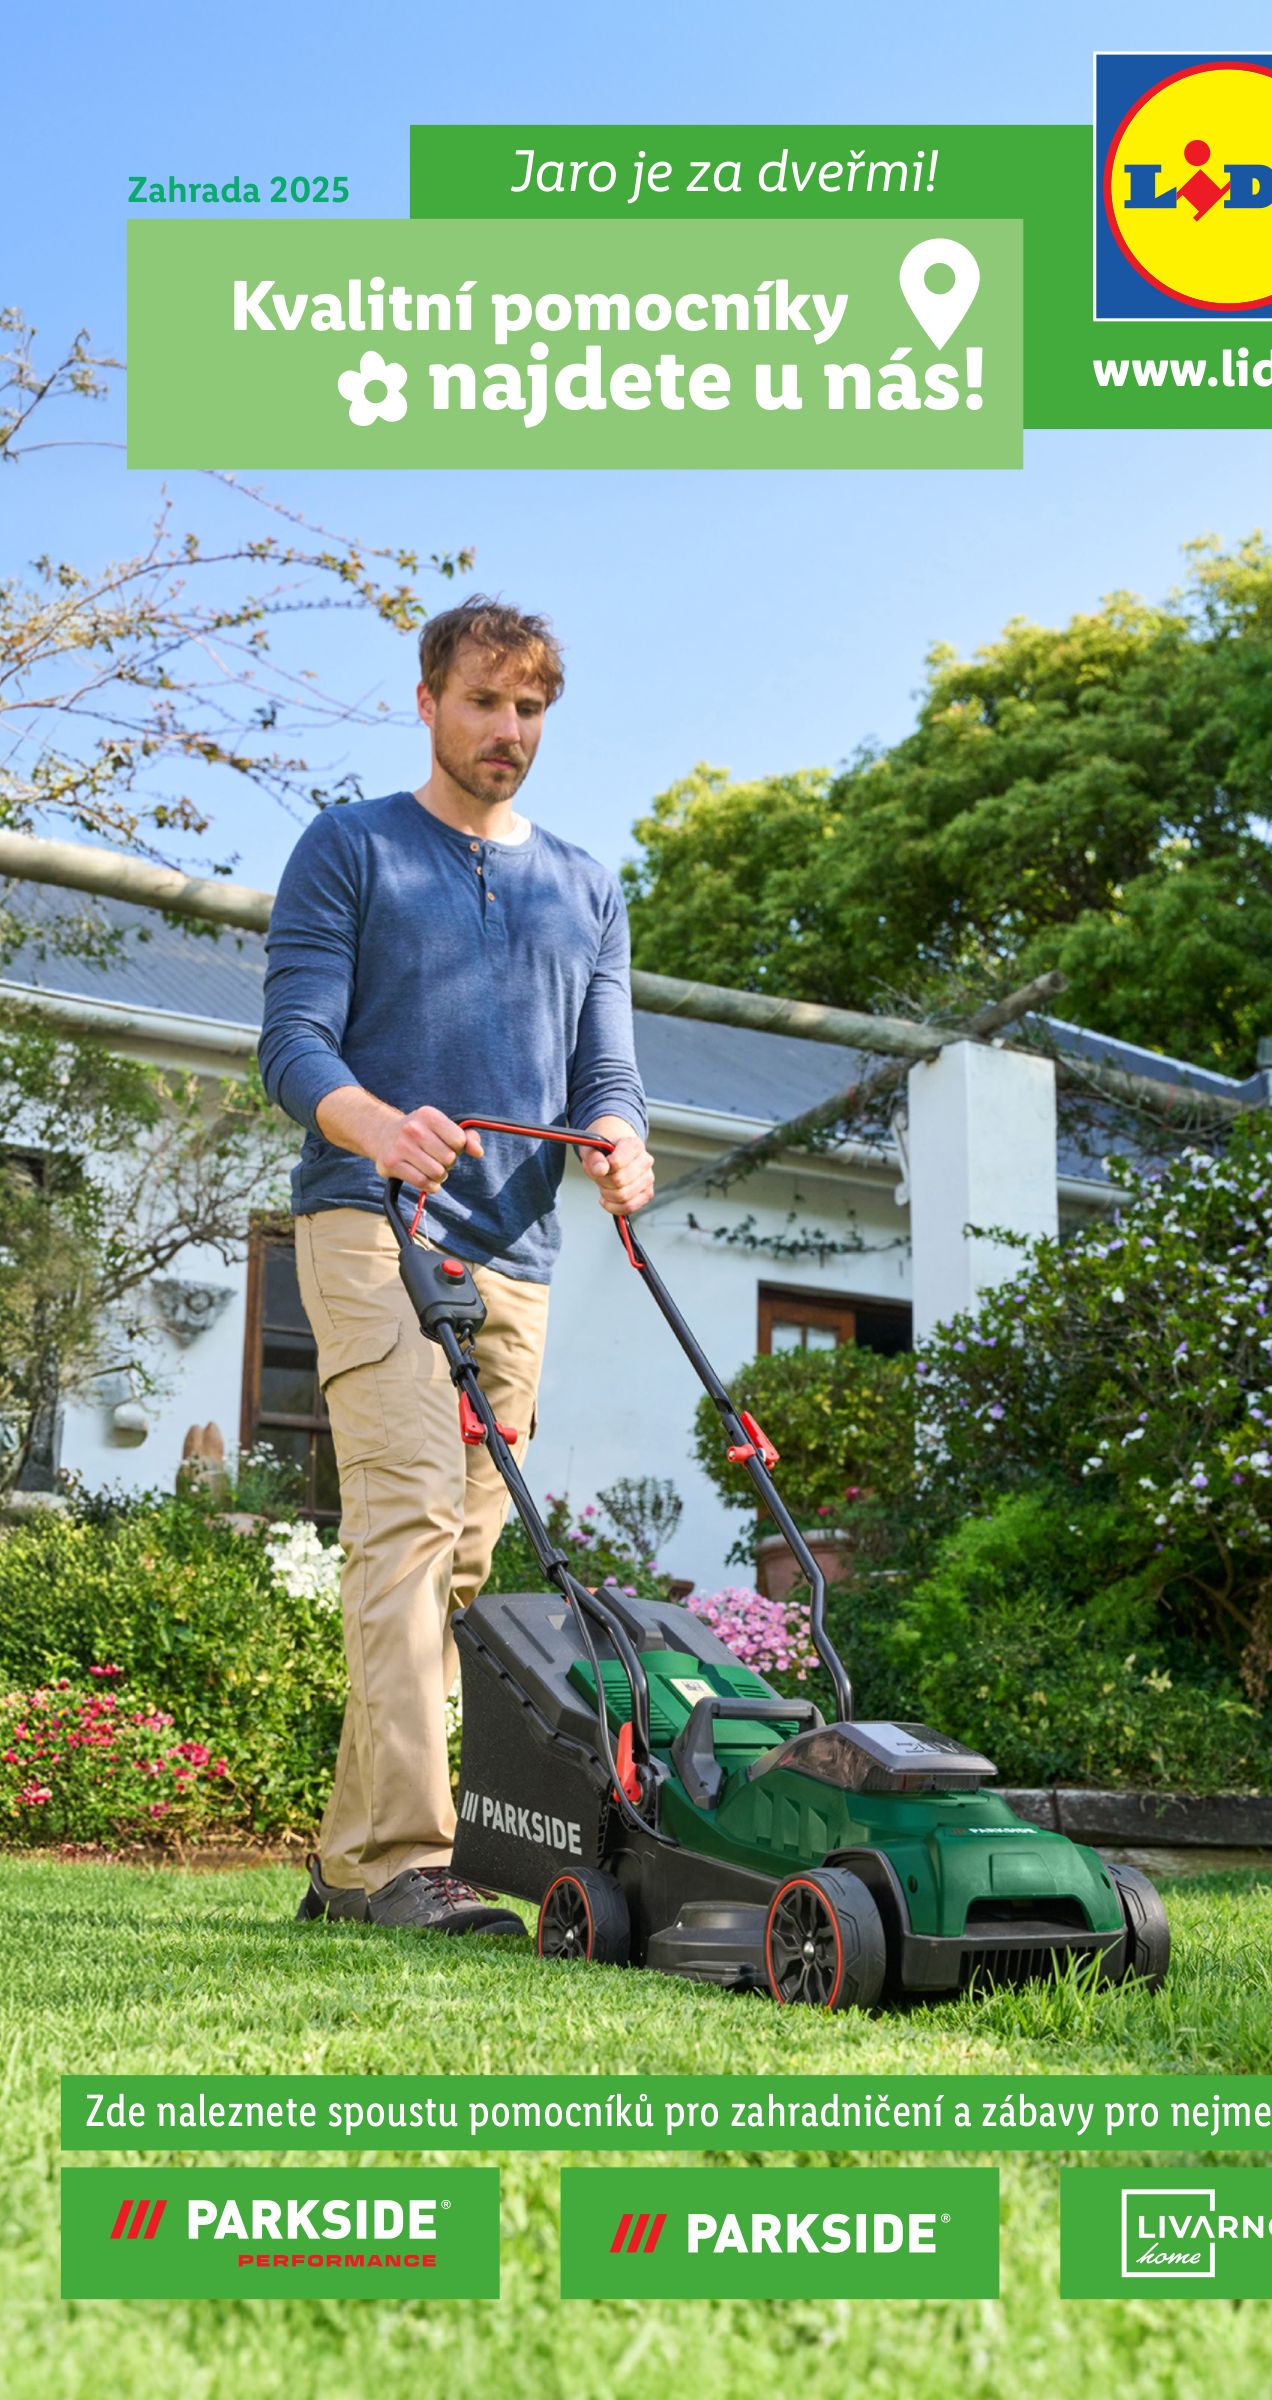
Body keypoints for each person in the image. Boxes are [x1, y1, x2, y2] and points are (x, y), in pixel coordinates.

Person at [258, 596, 654, 1932]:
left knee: (464, 1564)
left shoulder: (588, 886)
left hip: (520, 1253)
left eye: (531, 709)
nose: (508, 731)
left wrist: (621, 1143)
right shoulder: (350, 849)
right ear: (428, 701)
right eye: (485, 702)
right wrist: (379, 1121)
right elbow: (296, 1042)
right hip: (375, 1225)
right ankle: (402, 1864)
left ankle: (344, 1862)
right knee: (411, 1521)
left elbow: (610, 1077)